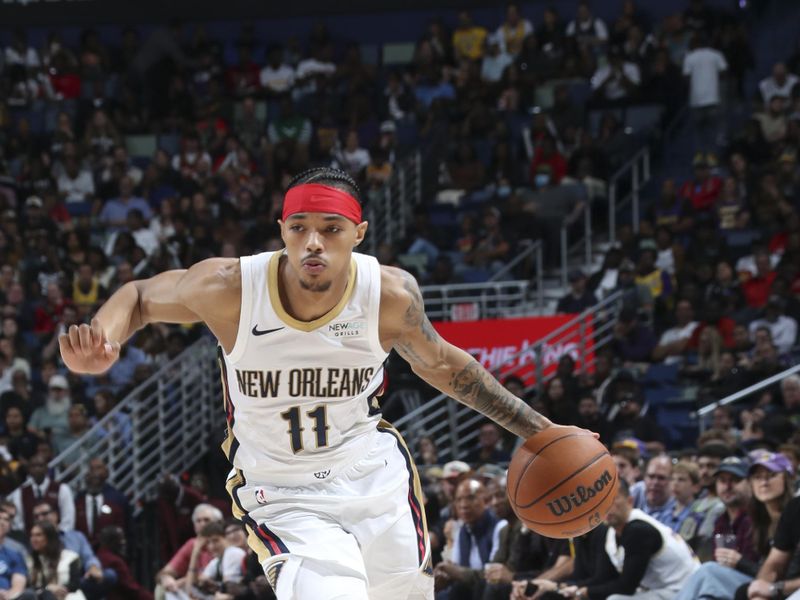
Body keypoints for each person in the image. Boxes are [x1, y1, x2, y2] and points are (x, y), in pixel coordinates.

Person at [59, 167, 568, 599]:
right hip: (280, 489)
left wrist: (540, 429)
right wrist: (102, 340)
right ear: (282, 229)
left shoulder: (387, 295)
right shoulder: (231, 289)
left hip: (371, 474)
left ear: (359, 232)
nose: (313, 242)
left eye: (331, 227)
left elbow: (445, 366)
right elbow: (141, 295)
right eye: (299, 227)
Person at [573, 479, 698, 600]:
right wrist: (572, 588)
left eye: (612, 499)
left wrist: (587, 592)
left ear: (630, 501)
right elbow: (606, 578)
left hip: (686, 590)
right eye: (600, 502)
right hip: (659, 589)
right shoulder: (611, 531)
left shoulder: (638, 530)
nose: (606, 507)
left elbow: (626, 587)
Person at [673, 456, 756, 600]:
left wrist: (740, 561)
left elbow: (768, 571)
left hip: (754, 586)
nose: (728, 486)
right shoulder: (720, 521)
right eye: (722, 481)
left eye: (735, 480)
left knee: (708, 570)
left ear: (750, 484)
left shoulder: (758, 519)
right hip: (723, 585)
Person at [9, 454, 75, 533]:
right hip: (29, 540)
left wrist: (59, 535)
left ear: (46, 468)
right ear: (28, 470)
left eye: (40, 466)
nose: (37, 469)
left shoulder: (62, 489)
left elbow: (68, 519)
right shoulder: (20, 493)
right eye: (33, 466)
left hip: (57, 539)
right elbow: (18, 521)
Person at [26, 522, 82, 600]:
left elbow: (75, 584)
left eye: (38, 535)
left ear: (49, 537)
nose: (33, 539)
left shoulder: (69, 557)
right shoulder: (29, 561)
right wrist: (47, 588)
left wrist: (59, 589)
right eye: (32, 535)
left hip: (68, 595)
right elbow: (27, 586)